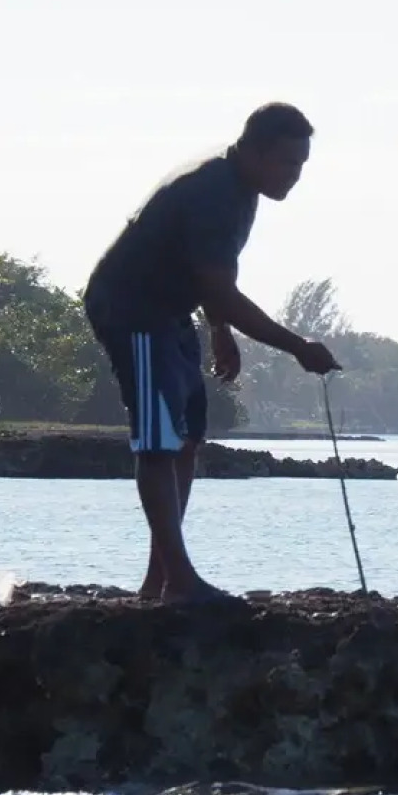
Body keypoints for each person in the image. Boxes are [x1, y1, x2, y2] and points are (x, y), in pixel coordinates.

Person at [82, 102, 342, 604]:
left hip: (173, 310)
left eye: (302, 165)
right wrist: (296, 346)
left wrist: (219, 331)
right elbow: (219, 289)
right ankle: (179, 581)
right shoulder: (214, 191)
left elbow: (214, 274)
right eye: (288, 164)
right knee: (158, 440)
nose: (295, 176)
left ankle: (159, 580)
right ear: (255, 151)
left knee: (186, 438)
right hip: (132, 307)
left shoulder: (243, 188)